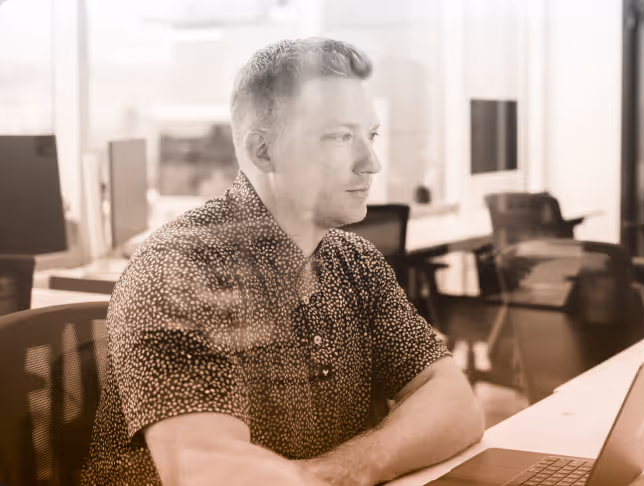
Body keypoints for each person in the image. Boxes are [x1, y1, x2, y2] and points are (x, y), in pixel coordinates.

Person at [80, 37, 484, 485]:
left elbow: (454, 402)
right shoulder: (179, 270)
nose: (371, 163)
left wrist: (345, 470)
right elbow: (211, 472)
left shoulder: (355, 262)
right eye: (340, 137)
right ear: (263, 152)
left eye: (369, 136)